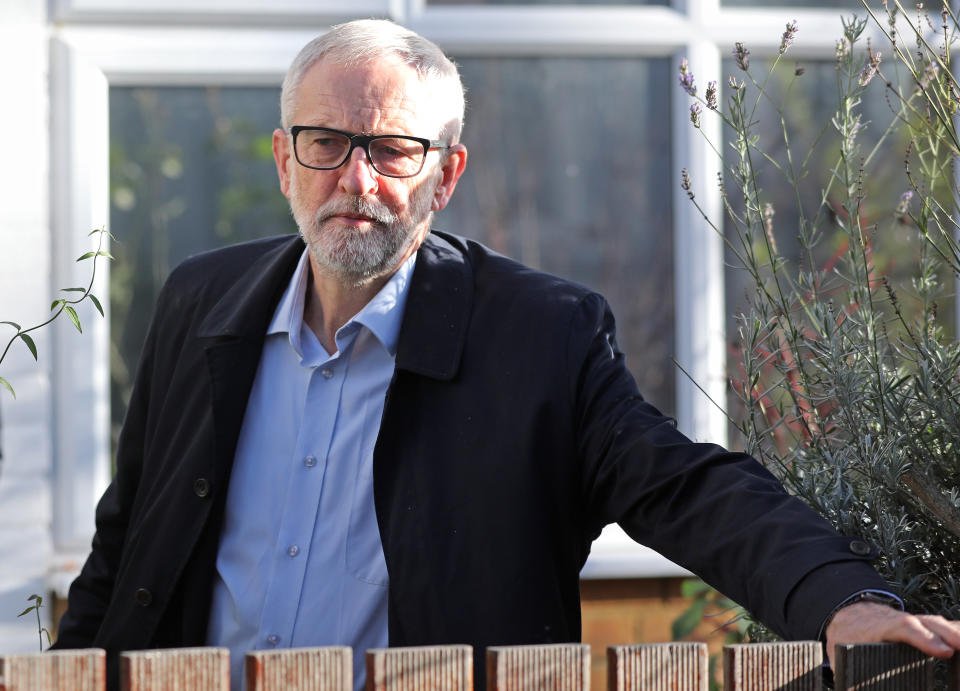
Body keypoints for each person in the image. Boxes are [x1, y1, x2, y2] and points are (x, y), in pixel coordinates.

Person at [52, 18, 960, 691]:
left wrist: (841, 598)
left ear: (446, 175)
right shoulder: (201, 305)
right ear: (285, 160)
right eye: (326, 144)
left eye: (393, 149)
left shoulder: (538, 336)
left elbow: (685, 486)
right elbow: (129, 537)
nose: (355, 181)